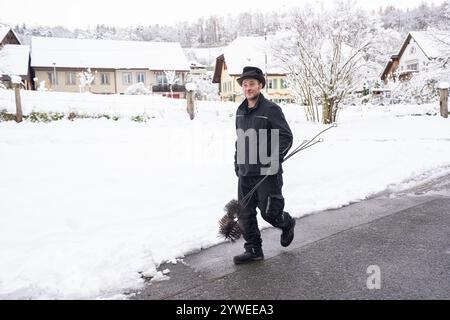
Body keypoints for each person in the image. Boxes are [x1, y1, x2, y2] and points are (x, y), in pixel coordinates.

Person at [233, 66, 296, 265]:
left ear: (260, 85)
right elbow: (240, 139)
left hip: (267, 171)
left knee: (270, 212)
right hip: (245, 171)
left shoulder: (271, 109)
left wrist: (274, 159)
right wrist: (237, 162)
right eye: (245, 84)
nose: (248, 87)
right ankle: (253, 249)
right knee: (244, 213)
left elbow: (286, 136)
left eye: (252, 83)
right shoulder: (240, 110)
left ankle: (287, 223)